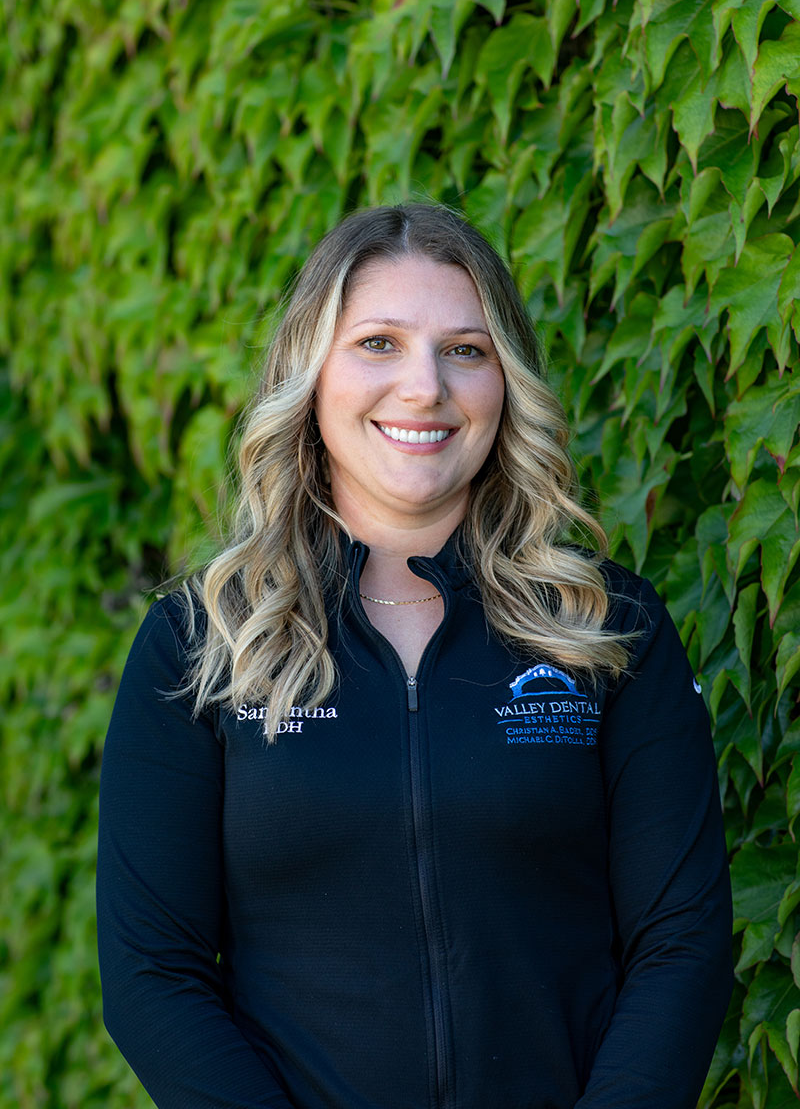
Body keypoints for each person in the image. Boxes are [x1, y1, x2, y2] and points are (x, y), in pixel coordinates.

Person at [97, 202, 733, 1109]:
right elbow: (150, 972)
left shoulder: (608, 627)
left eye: (465, 350)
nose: (425, 387)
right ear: (310, 376)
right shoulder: (202, 645)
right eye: (379, 344)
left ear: (505, 383)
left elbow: (683, 941)